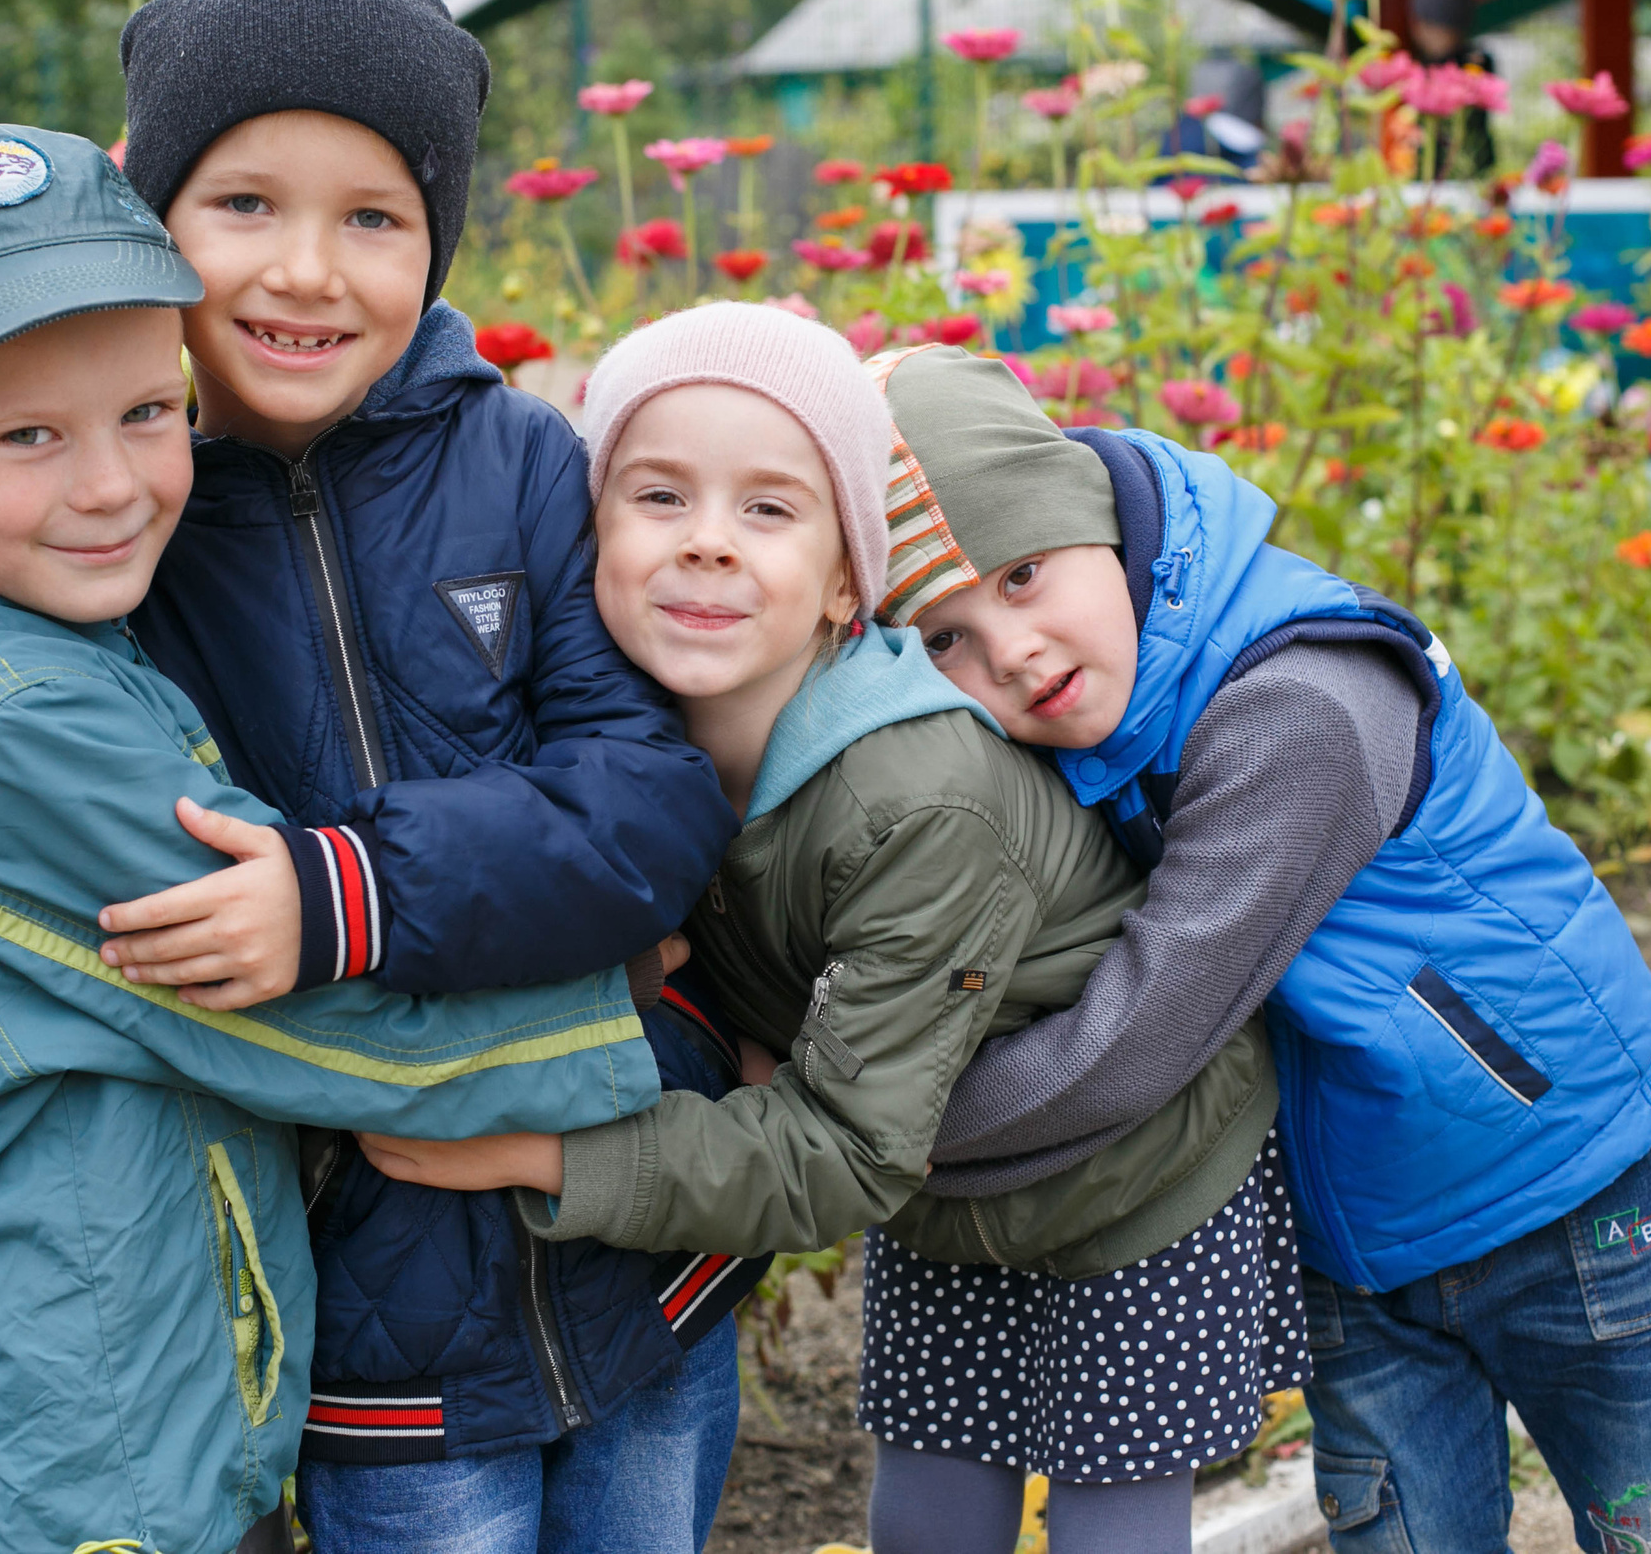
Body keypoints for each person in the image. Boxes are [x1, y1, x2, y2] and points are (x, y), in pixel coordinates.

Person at [0, 0, 758, 1554]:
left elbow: (651, 797)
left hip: (638, 1249)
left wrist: (345, 889)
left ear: (436, 238)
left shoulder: (519, 460)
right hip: (380, 1333)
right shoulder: (101, 560)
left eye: (372, 216)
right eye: (245, 206)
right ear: (153, 229)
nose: (307, 269)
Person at [359, 305, 1301, 1554]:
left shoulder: (917, 801)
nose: (706, 545)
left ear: (849, 583)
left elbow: (845, 1148)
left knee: (1108, 1520)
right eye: (656, 497)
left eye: (767, 509)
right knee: (926, 1507)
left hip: (1138, 1178)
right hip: (936, 1173)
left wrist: (549, 1157)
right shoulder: (638, 761)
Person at [866, 349, 1651, 1554]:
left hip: (1561, 1195)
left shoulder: (1297, 706)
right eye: (943, 639)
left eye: (1022, 575)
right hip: (1354, 1243)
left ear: (1088, 512)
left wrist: (871, 1129)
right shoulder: (1112, 688)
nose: (1012, 653)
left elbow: (1146, 1028)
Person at [1408, 0, 1498, 177]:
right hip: (1423, 175)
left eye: (1435, 27)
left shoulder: (1476, 65)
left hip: (1473, 172)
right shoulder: (1417, 67)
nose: (1426, 34)